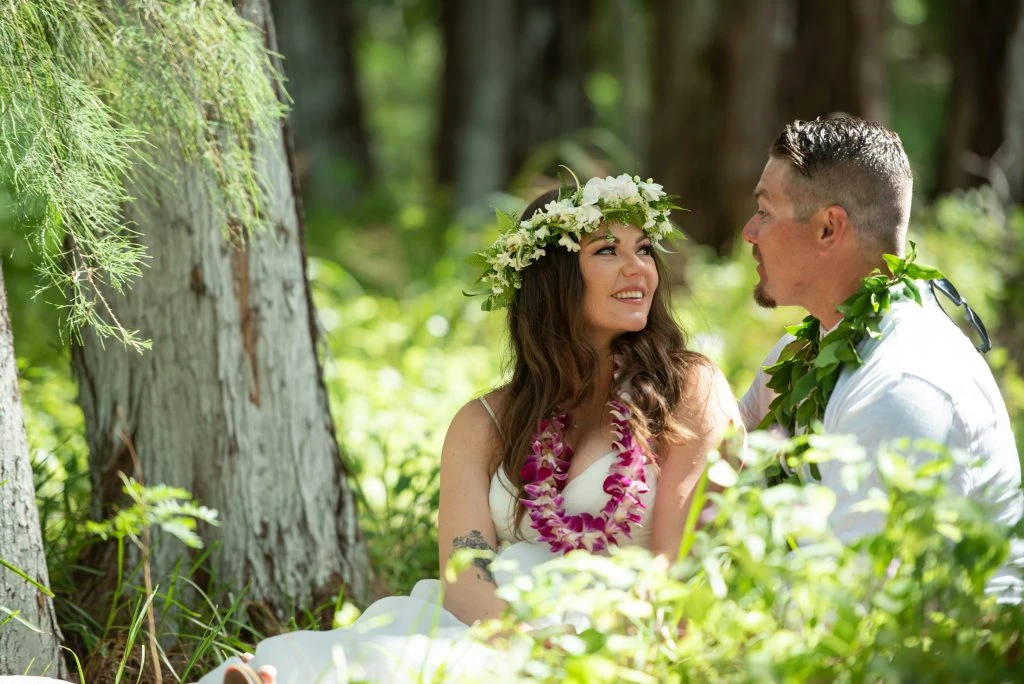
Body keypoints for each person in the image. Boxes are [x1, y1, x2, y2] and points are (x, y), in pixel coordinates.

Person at [200, 174, 740, 683]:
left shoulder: (687, 390)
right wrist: (523, 643)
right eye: (607, 251)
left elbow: (676, 567)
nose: (638, 268)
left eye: (643, 249)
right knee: (382, 657)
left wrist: (583, 657)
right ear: (552, 277)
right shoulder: (484, 423)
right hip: (482, 627)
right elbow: (466, 576)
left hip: (605, 641)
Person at [738, 116, 1023, 601]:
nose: (749, 232)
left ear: (828, 228)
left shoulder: (905, 385)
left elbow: (854, 607)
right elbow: (725, 451)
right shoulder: (810, 347)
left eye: (764, 212)